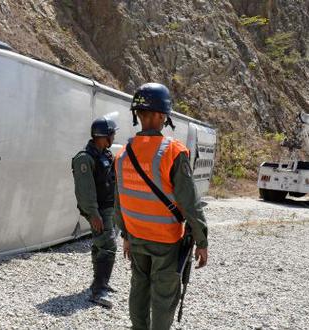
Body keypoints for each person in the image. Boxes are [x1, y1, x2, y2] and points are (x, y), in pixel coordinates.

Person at [114, 83, 208, 329]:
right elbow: (190, 202)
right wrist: (202, 241)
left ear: (139, 114)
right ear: (160, 115)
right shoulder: (173, 152)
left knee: (139, 288)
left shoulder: (123, 153)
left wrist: (125, 234)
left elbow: (119, 200)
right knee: (164, 298)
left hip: (136, 237)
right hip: (165, 242)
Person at [71, 116, 120, 308]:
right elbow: (85, 191)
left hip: (108, 208)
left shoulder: (105, 155)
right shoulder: (85, 158)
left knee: (101, 245)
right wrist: (93, 214)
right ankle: (98, 291)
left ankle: (100, 283)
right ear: (104, 136)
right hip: (98, 211)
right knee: (108, 246)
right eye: (112, 134)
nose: (114, 137)